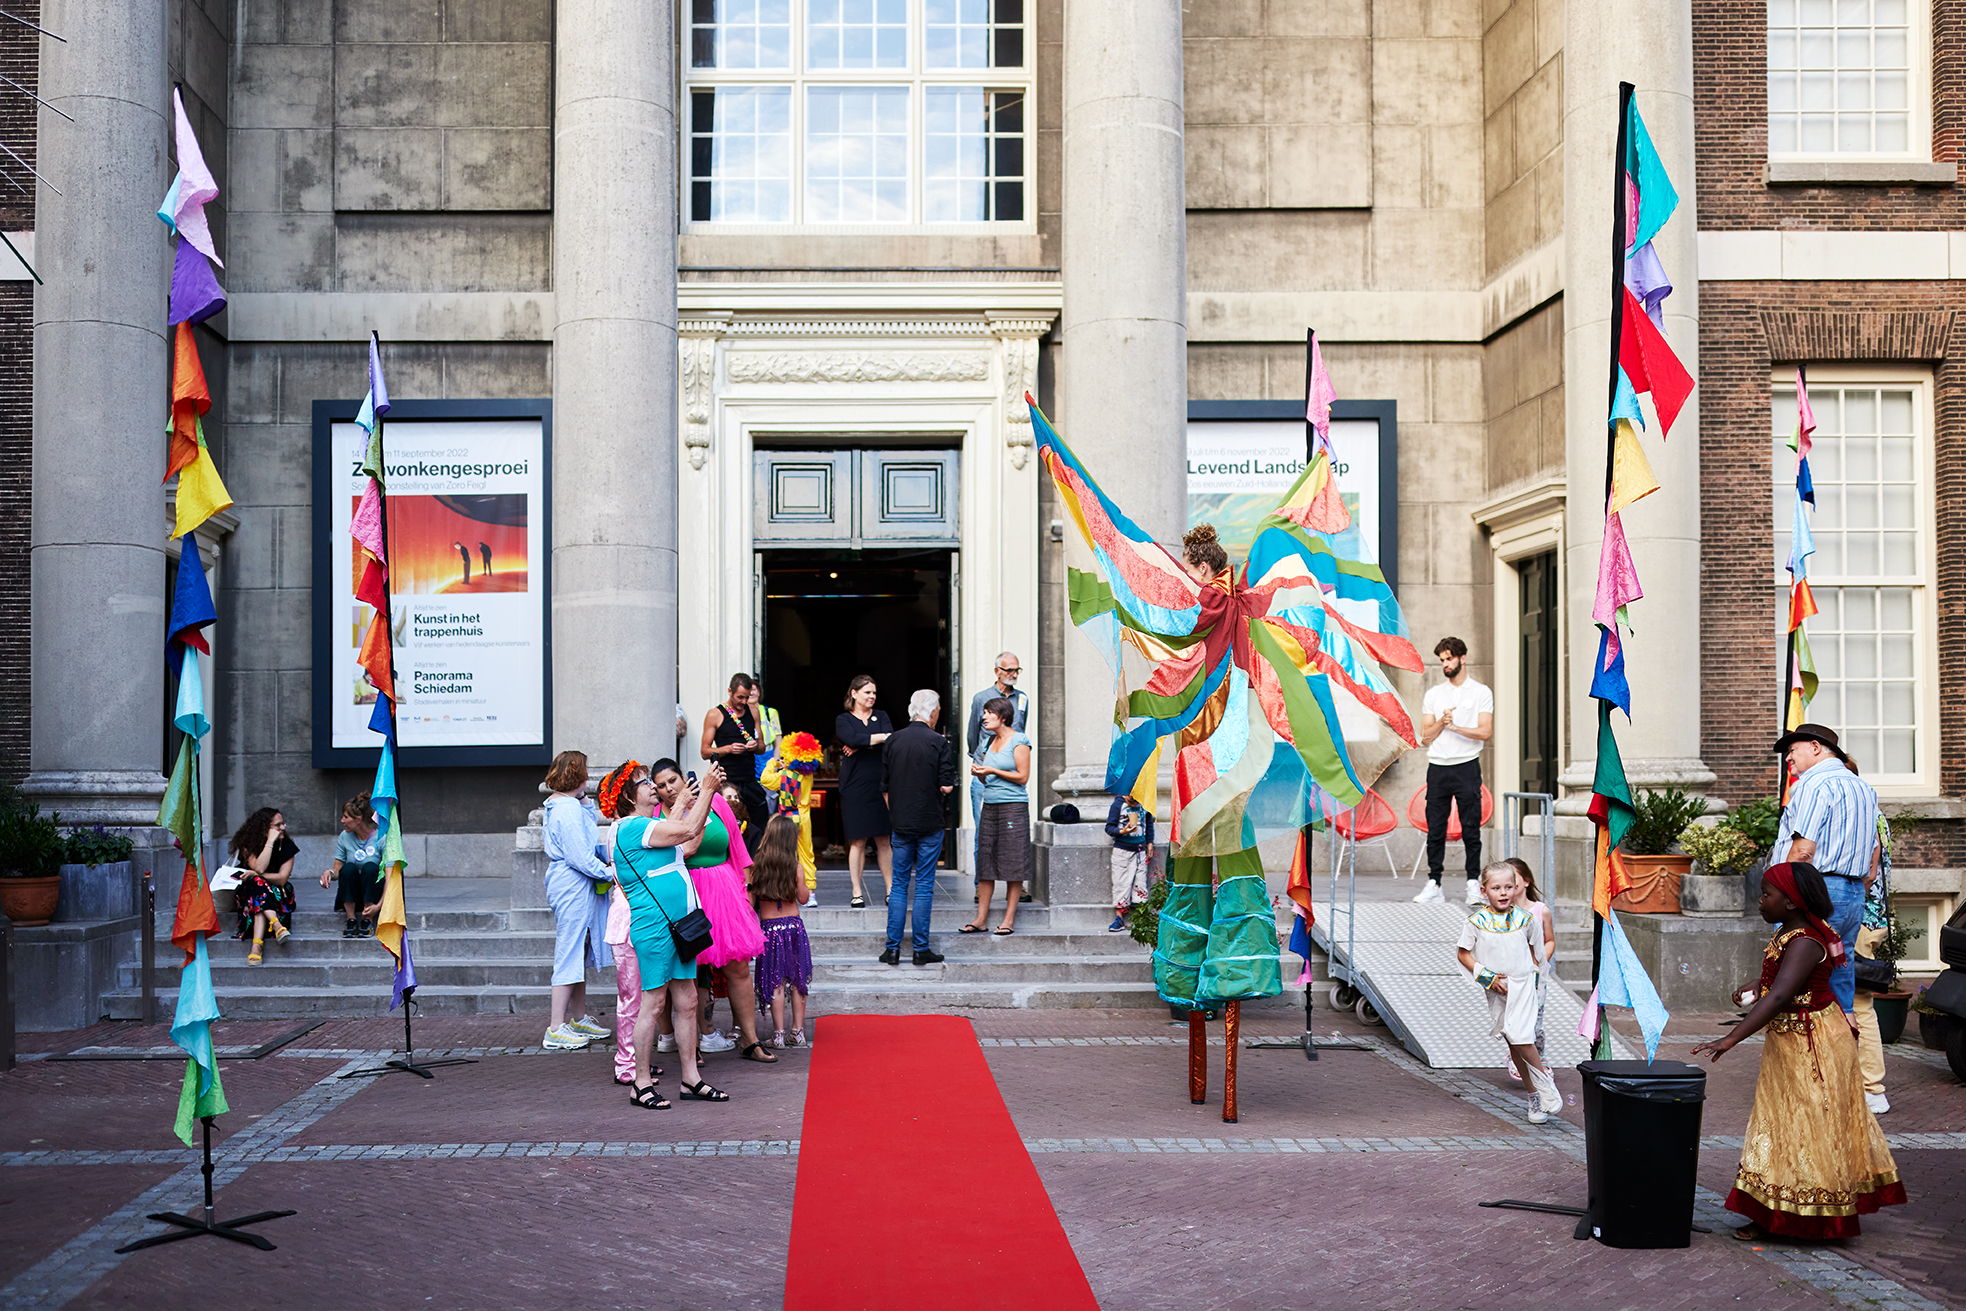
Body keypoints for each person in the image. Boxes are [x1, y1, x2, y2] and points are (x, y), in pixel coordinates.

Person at [1691, 862, 1906, 1240]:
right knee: (1777, 1125)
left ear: (1790, 902)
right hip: (1789, 1042)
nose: (1760, 901)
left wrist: (1729, 1039)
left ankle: (1813, 1216)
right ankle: (1774, 1211)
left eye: (1766, 894)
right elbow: (1775, 982)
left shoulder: (1807, 940)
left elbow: (1779, 996)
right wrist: (1754, 984)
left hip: (1815, 1044)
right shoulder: (1788, 937)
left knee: (1808, 1126)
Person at [603, 757, 732, 1107]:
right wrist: (706, 791)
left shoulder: (648, 825)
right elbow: (687, 831)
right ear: (631, 797)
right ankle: (640, 1083)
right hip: (656, 927)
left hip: (678, 926)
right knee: (654, 1002)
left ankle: (691, 1079)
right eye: (646, 783)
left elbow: (686, 843)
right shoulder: (631, 827)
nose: (653, 788)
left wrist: (695, 802)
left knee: (688, 999)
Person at [652, 760, 777, 1064]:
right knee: (689, 973)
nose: (669, 789)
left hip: (723, 892)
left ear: (684, 778)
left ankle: (750, 1039)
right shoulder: (658, 817)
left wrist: (745, 890)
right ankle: (690, 1044)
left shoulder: (718, 803)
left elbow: (738, 849)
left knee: (737, 968)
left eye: (673, 781)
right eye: (662, 786)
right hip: (685, 895)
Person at [1770, 723, 1879, 1017]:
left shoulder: (1814, 784)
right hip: (1853, 893)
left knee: (1797, 981)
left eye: (1792, 750)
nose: (1788, 759)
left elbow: (1803, 850)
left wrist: (1781, 893)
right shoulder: (1864, 788)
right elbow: (1872, 858)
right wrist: (1855, 890)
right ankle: (1844, 1053)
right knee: (1840, 978)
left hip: (1813, 891)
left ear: (1815, 748)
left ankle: (1805, 1057)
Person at [1455, 862, 1562, 1124]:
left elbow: (1537, 952)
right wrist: (1488, 978)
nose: (1503, 893)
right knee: (1512, 1038)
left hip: (1524, 983)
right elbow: (1463, 954)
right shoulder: (1475, 921)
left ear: (1516, 888)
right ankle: (1533, 1094)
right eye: (1496, 888)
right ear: (1484, 891)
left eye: (1508, 887)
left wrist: (1537, 980)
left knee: (1521, 1034)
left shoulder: (1526, 919)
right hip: (1497, 987)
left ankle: (1545, 1085)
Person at [540, 750, 614, 1052]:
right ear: (577, 776)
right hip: (572, 883)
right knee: (570, 949)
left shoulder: (566, 805)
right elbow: (580, 854)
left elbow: (586, 831)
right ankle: (556, 1026)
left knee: (579, 949)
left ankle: (578, 1016)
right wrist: (608, 872)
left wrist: (584, 801)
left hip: (572, 882)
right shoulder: (567, 809)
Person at [1414, 636, 1492, 906]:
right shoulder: (1434, 695)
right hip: (1438, 767)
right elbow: (1425, 736)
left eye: (1449, 659)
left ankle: (1473, 883)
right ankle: (1434, 882)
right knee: (1435, 828)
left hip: (1467, 765)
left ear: (1462, 658)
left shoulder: (1480, 692)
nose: (1445, 664)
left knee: (1471, 827)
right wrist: (1441, 722)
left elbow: (1486, 731)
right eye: (1442, 660)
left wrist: (1456, 727)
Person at [881, 689, 956, 966]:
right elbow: (946, 785)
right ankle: (920, 949)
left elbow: (885, 788)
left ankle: (892, 949)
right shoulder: (938, 741)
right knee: (924, 885)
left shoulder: (893, 740)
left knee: (899, 885)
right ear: (933, 712)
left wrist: (898, 812)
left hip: (900, 823)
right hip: (930, 822)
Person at [963, 696, 1032, 936]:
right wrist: (980, 773)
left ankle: (1009, 919)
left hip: (1013, 807)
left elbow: (1023, 777)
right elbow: (987, 777)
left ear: (1002, 716)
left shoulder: (1020, 740)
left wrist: (992, 770)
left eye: (988, 713)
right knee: (986, 862)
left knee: (1013, 862)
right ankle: (981, 919)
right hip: (990, 806)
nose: (984, 717)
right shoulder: (988, 742)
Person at [750, 814, 814, 1047]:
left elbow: (750, 899)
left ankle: (778, 1034)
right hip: (794, 927)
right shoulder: (795, 866)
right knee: (797, 980)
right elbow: (804, 898)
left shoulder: (758, 866)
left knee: (775, 981)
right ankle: (797, 1031)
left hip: (769, 929)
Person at [836, 674, 894, 908]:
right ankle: (856, 891)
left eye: (874, 693)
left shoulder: (882, 716)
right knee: (857, 840)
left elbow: (890, 740)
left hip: (881, 783)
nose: (872, 697)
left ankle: (891, 889)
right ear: (854, 693)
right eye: (868, 692)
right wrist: (876, 739)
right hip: (854, 785)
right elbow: (850, 737)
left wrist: (864, 742)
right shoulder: (843, 719)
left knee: (884, 839)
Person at [966, 652, 1029, 857]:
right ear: (997, 671)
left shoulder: (1022, 698)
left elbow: (1019, 732)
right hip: (986, 775)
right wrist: (984, 758)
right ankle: (979, 887)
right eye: (1009, 670)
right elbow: (972, 735)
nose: (1013, 674)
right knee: (983, 833)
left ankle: (1015, 886)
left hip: (1011, 774)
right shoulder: (981, 698)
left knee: (1013, 833)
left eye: (1016, 670)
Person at [1852, 814, 1895, 1114]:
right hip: (1873, 918)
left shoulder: (1863, 813)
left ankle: (1872, 1088)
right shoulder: (1876, 814)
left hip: (1862, 920)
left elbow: (1868, 872)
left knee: (1859, 1004)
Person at [702, 673, 769, 848]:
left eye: (747, 697)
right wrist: (728, 749)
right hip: (727, 781)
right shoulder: (715, 714)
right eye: (740, 697)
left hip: (749, 779)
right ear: (730, 691)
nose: (743, 702)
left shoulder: (753, 711)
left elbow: (762, 746)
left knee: (759, 824)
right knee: (728, 826)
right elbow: (704, 751)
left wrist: (755, 745)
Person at [1501, 855, 1554, 1075]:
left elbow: (1549, 941)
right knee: (1513, 1021)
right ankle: (1516, 1059)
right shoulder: (1502, 912)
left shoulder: (1541, 910)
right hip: (1510, 976)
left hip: (1535, 977)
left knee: (1536, 1023)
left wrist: (1539, 961)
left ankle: (1538, 1059)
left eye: (1514, 879)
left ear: (1527, 881)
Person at [760, 731, 824, 907]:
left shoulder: (784, 776)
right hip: (804, 817)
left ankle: (786, 888)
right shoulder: (808, 776)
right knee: (806, 854)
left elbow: (765, 780)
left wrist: (773, 762)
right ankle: (810, 893)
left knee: (785, 853)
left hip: (788, 817)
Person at [229, 807, 298, 963]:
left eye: (283, 824)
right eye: (278, 825)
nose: (283, 828)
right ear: (265, 828)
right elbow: (259, 866)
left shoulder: (287, 845)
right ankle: (277, 925)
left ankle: (256, 946)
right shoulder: (248, 844)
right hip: (251, 891)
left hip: (278, 891)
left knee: (259, 887)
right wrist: (269, 842)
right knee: (257, 886)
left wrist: (257, 875)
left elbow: (281, 878)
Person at [319, 794, 382, 939]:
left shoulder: (380, 837)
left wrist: (379, 905)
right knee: (348, 868)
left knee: (371, 867)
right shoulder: (344, 836)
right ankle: (351, 919)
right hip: (352, 894)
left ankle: (367, 920)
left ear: (358, 819)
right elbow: (337, 868)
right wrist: (329, 873)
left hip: (373, 894)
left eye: (345, 817)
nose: (342, 821)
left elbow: (389, 876)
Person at [1105, 794, 1154, 933]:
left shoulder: (1145, 803)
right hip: (1122, 850)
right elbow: (1109, 827)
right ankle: (1119, 918)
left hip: (1140, 850)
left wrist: (1149, 843)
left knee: (1141, 884)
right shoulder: (1118, 805)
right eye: (1130, 798)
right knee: (1121, 883)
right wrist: (1122, 831)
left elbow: (1149, 824)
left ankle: (1141, 918)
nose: (1133, 800)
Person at [751, 677, 783, 814]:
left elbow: (778, 741)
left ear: (759, 691)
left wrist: (775, 765)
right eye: (748, 690)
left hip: (768, 759)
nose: (751, 693)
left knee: (770, 801)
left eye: (754, 689)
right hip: (750, 761)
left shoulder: (770, 713)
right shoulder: (740, 714)